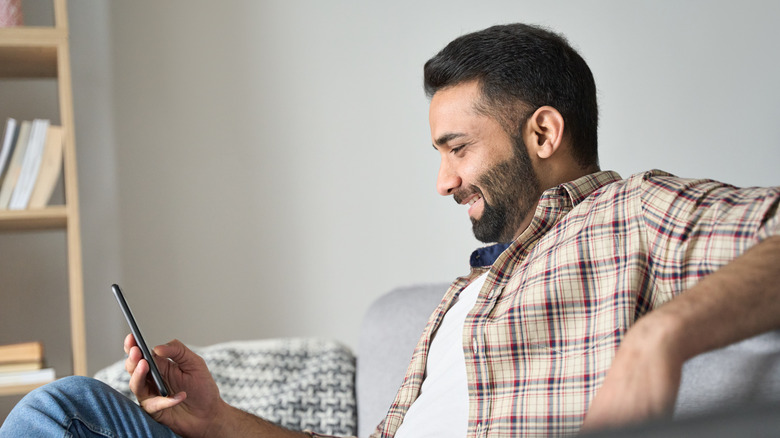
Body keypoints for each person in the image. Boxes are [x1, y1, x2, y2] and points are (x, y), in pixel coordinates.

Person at [2, 22, 779, 438]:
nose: (442, 182)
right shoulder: (465, 298)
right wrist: (217, 419)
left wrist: (658, 339)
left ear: (543, 134)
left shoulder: (631, 214)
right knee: (68, 408)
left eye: (458, 148)